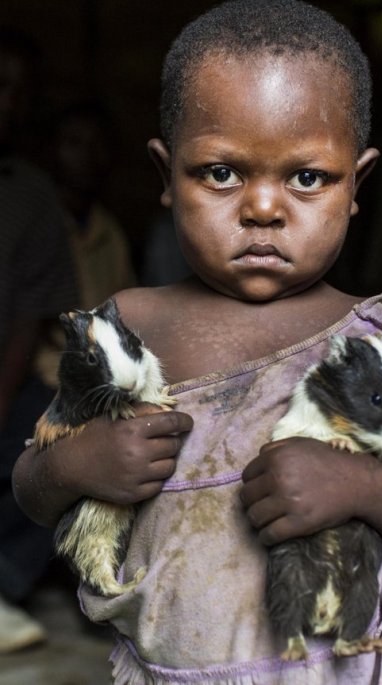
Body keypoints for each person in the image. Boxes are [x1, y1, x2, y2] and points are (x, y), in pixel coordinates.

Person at [12, 1, 382, 683]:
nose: (264, 208)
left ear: (358, 184)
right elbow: (29, 479)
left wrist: (361, 484)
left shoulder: (379, 339)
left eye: (308, 177)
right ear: (165, 176)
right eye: (222, 173)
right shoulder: (126, 329)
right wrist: (79, 462)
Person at [0, 26, 78, 652]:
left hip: (6, 375)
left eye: (15, 92)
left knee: (67, 440)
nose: (6, 102)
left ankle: (1, 583)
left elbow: (28, 321)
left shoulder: (29, 197)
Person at [33, 100, 137, 389]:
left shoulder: (108, 230)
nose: (87, 155)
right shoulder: (35, 225)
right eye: (74, 142)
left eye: (97, 144)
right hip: (42, 383)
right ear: (49, 150)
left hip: (102, 381)